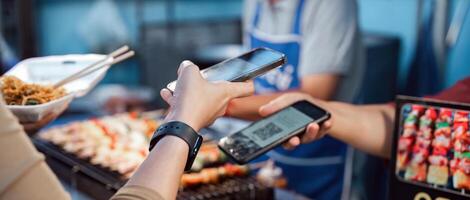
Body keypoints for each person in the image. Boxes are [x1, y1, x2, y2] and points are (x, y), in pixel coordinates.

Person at [227, 0, 364, 198]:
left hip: (320, 160)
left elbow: (315, 96)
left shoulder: (331, 4)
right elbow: (251, 74)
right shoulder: (254, 4)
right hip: (265, 151)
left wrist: (223, 106)